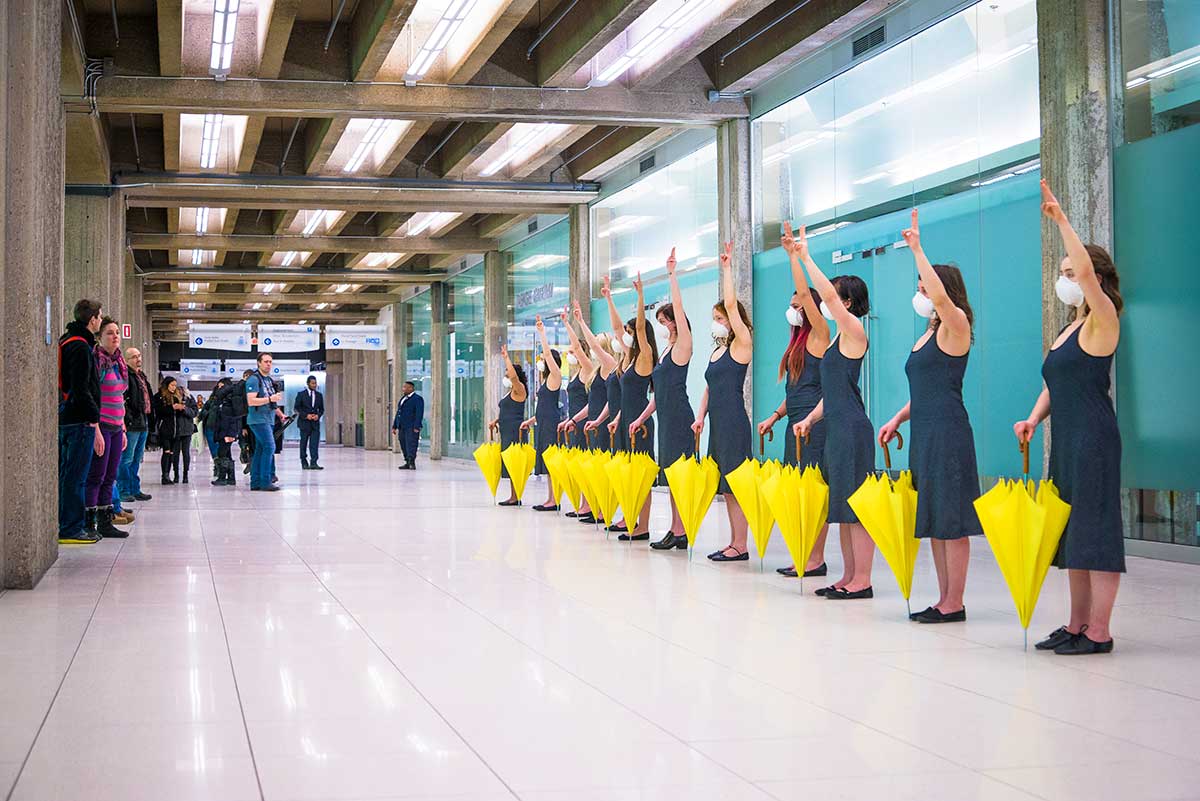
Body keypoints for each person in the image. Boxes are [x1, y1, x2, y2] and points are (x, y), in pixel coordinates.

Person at [1016, 180, 1124, 656]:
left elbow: (1081, 265)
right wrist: (1034, 419)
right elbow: (1053, 386)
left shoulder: (1104, 319)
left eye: (1070, 271)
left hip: (1095, 439)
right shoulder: (1070, 328)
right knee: (1072, 533)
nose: (1064, 278)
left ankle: (1099, 630)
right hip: (1067, 439)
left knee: (1095, 530)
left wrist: (1061, 221)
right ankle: (1077, 623)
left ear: (1091, 277)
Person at [878, 209, 982, 623]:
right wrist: (898, 418)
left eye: (926, 286)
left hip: (949, 432)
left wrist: (917, 249)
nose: (920, 293)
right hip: (924, 429)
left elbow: (941, 298)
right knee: (935, 516)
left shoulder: (957, 325)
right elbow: (922, 390)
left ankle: (954, 601)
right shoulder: (927, 333)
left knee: (952, 519)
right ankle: (943, 598)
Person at [794, 224, 876, 599]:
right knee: (840, 506)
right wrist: (811, 417)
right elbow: (834, 391)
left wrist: (807, 257)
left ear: (847, 303)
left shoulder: (855, 331)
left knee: (857, 507)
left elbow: (823, 292)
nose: (827, 303)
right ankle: (848, 575)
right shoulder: (837, 342)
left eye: (835, 298)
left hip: (853, 429)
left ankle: (864, 579)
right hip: (836, 426)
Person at [761, 223, 831, 577]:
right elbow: (794, 391)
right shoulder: (796, 344)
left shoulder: (820, 334)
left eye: (798, 304)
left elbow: (806, 295)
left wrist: (795, 257)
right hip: (793, 424)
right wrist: (775, 416)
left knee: (814, 493)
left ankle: (815, 558)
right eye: (791, 305)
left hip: (815, 425)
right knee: (797, 492)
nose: (794, 308)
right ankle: (802, 552)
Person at [692, 242, 754, 562]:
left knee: (737, 485)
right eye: (714, 316)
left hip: (733, 421)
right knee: (726, 487)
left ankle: (741, 544)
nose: (717, 320)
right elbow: (708, 387)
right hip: (716, 422)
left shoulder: (742, 345)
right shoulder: (717, 350)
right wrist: (700, 416)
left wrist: (727, 268)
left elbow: (731, 303)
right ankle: (735, 542)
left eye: (721, 316)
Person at [630, 249, 695, 551]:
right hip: (665, 416)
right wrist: (642, 417)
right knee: (669, 475)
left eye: (667, 320)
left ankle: (680, 529)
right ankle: (676, 527)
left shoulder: (683, 347)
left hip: (680, 416)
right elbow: (658, 395)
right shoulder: (665, 353)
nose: (665, 325)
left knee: (679, 475)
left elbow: (679, 309)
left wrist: (672, 274)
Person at [605, 273, 658, 540]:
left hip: (641, 424)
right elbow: (617, 328)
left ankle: (644, 525)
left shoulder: (645, 356)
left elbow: (638, 328)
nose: (624, 335)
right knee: (628, 475)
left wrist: (640, 296)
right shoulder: (628, 357)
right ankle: (630, 516)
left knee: (642, 476)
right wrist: (608, 298)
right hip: (627, 420)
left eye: (629, 332)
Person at [58, 299, 105, 545]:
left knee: (67, 474)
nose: (100, 320)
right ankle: (71, 528)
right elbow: (81, 387)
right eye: (99, 316)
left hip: (66, 417)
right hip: (79, 421)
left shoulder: (66, 341)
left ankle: (65, 523)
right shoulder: (80, 347)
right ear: (92, 319)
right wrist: (93, 418)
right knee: (76, 476)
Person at [83, 318, 130, 540]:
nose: (115, 336)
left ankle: (105, 520)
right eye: (110, 333)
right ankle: (90, 522)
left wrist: (122, 427)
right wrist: (96, 430)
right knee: (97, 475)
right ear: (100, 337)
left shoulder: (119, 362)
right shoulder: (97, 361)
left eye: (117, 332)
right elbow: (92, 396)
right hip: (100, 425)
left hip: (115, 425)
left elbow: (120, 396)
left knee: (110, 476)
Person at [575, 304, 615, 524]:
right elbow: (593, 403)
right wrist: (575, 420)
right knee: (596, 469)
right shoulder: (597, 372)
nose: (594, 351)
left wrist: (580, 322)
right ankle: (595, 507)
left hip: (604, 422)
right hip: (594, 422)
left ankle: (602, 510)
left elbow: (588, 347)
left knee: (602, 469)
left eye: (598, 347)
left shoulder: (610, 365)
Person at [521, 316, 564, 511]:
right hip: (543, 422)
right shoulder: (546, 380)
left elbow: (547, 355)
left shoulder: (555, 377)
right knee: (546, 462)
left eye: (543, 359)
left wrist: (542, 334)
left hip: (551, 424)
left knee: (552, 462)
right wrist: (531, 420)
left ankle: (555, 499)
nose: (540, 361)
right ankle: (550, 497)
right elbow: (542, 407)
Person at [558, 308, 597, 519]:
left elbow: (578, 348)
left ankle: (589, 504)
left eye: (573, 352)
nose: (570, 355)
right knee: (580, 466)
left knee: (586, 464)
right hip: (574, 421)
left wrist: (569, 324)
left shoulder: (588, 368)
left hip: (584, 422)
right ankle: (583, 502)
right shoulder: (575, 374)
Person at [492, 344, 529, 506]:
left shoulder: (519, 389)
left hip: (516, 431)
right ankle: (513, 495)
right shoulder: (510, 393)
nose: (506, 376)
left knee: (514, 462)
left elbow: (514, 377)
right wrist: (496, 421)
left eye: (507, 372)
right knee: (509, 462)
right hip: (507, 431)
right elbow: (507, 411)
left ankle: (515, 496)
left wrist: (506, 357)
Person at [119, 346, 153, 504]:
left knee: (136, 459)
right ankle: (123, 490)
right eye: (134, 357)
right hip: (132, 424)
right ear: (126, 360)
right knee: (126, 459)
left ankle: (134, 488)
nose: (138, 359)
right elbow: (123, 399)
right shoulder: (126, 375)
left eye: (139, 356)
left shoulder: (141, 376)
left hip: (143, 422)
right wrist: (129, 419)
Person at [246, 353, 284, 491]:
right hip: (258, 420)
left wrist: (280, 414)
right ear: (258, 363)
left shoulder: (268, 380)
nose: (269, 364)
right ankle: (265, 481)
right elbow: (251, 401)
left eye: (270, 362)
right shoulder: (253, 380)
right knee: (269, 447)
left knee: (260, 450)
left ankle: (255, 482)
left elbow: (271, 400)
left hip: (268, 419)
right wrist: (270, 399)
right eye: (266, 361)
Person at [153, 377, 195, 484]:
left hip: (177, 430)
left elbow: (191, 412)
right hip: (165, 429)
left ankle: (172, 475)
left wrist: (182, 408)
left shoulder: (180, 397)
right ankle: (165, 476)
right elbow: (159, 411)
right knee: (167, 452)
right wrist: (173, 408)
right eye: (172, 385)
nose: (174, 387)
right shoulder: (159, 396)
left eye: (175, 385)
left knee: (173, 453)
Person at [209, 377, 245, 486]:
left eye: (221, 386)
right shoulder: (223, 400)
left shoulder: (231, 400)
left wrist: (231, 434)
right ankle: (230, 478)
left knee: (222, 453)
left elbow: (235, 418)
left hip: (227, 432)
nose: (219, 388)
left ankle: (222, 477)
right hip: (222, 431)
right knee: (227, 454)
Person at [392, 381, 424, 470]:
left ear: (411, 388)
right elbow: (398, 412)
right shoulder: (403, 398)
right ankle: (407, 461)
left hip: (411, 427)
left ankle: (412, 462)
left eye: (405, 387)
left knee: (411, 444)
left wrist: (417, 426)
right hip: (402, 426)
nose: (403, 389)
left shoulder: (417, 399)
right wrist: (394, 426)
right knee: (403, 444)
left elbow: (419, 413)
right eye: (403, 387)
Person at [295, 375, 325, 470]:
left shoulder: (319, 395)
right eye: (312, 383)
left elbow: (322, 409)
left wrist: (318, 415)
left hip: (315, 424)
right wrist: (305, 415)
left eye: (315, 383)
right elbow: (296, 408)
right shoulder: (301, 394)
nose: (314, 385)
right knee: (303, 443)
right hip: (304, 423)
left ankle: (314, 462)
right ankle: (304, 462)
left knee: (314, 443)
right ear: (308, 384)